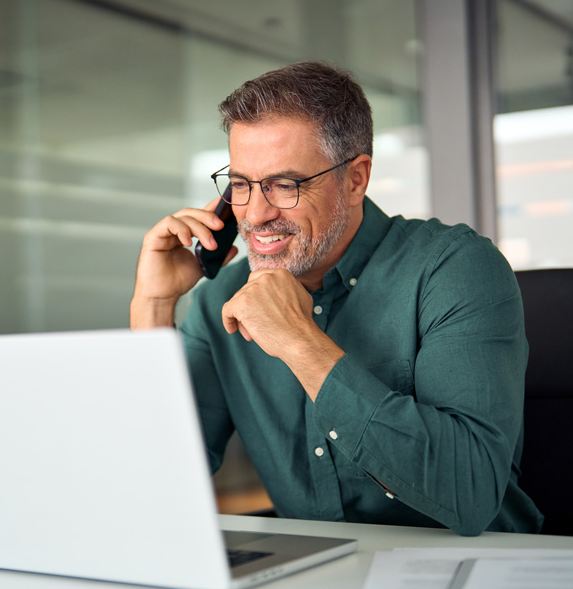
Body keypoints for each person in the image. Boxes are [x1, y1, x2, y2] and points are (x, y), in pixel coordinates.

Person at [130, 61, 543, 536]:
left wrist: (299, 343)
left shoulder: (454, 268)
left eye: (284, 185)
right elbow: (156, 477)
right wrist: (154, 305)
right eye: (241, 185)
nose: (256, 214)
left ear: (355, 179)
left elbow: (471, 494)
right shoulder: (219, 298)